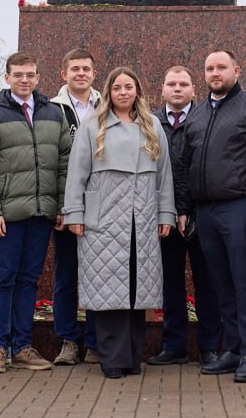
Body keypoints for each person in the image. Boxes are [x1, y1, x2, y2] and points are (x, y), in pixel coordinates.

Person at [176, 49, 246, 383]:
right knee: (221, 284)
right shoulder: (198, 114)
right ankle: (232, 349)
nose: (215, 73)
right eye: (209, 68)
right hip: (205, 212)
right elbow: (183, 165)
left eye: (221, 67)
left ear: (236, 70)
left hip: (241, 207)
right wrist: (183, 209)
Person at [63, 67, 176, 378]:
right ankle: (112, 360)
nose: (124, 92)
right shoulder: (92, 125)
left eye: (129, 87)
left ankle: (132, 358)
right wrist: (74, 212)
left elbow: (164, 175)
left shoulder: (152, 125)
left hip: (142, 217)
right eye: (118, 88)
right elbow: (77, 173)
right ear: (109, 92)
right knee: (108, 290)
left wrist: (166, 212)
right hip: (103, 218)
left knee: (136, 290)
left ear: (137, 90)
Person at [0, 52, 74, 373]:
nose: (24, 80)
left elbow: (62, 165)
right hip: (7, 216)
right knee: (2, 280)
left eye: (30, 74)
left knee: (29, 281)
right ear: (7, 78)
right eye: (18, 75)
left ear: (39, 77)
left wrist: (60, 207)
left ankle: (23, 346)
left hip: (42, 214)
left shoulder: (53, 114)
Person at [149, 66, 222, 368]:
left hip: (201, 213)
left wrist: (188, 209)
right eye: (171, 84)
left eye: (183, 84)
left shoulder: (208, 119)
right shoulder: (150, 123)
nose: (177, 89)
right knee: (170, 283)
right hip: (163, 216)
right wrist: (171, 210)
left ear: (194, 90)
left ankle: (209, 346)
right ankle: (174, 345)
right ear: (162, 89)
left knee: (206, 283)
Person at [48, 49, 102, 366]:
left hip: (100, 206)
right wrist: (60, 206)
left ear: (94, 74)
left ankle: (95, 343)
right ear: (64, 74)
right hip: (68, 207)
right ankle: (68, 341)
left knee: (97, 275)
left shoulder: (106, 105)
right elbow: (50, 160)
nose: (80, 73)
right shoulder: (52, 111)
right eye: (75, 69)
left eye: (86, 69)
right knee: (66, 276)